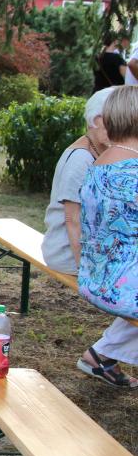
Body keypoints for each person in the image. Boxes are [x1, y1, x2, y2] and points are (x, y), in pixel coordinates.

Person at [76, 85, 138, 388]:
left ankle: (100, 354)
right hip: (125, 288)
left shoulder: (99, 164)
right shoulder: (133, 169)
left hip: (97, 278)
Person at [41, 87, 115, 275]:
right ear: (95, 121)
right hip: (67, 254)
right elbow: (73, 220)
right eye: (114, 119)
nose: (119, 127)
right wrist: (86, 271)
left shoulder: (98, 151)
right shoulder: (80, 159)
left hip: (90, 248)